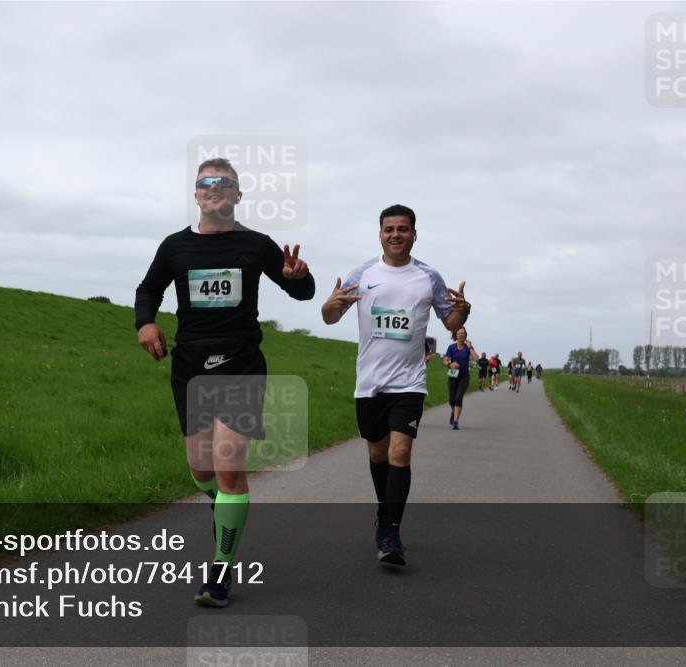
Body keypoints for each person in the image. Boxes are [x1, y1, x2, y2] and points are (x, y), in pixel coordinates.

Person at [135, 157, 316, 607]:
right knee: (201, 470)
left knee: (229, 464)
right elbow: (147, 290)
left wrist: (300, 278)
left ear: (237, 194)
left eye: (224, 183)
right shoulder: (175, 247)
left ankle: (219, 573)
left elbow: (303, 291)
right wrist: (145, 324)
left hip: (240, 363)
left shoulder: (256, 245)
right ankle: (225, 513)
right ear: (196, 194)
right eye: (205, 183)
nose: (214, 188)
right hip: (190, 368)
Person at [321, 204, 470, 567]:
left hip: (410, 383)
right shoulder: (363, 273)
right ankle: (384, 510)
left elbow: (451, 322)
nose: (396, 235)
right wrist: (329, 304)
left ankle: (391, 532)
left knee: (399, 454)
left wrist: (463, 311)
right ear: (380, 235)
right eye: (389, 229)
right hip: (370, 383)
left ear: (414, 234)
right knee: (377, 455)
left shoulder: (428, 277)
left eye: (403, 229)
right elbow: (329, 317)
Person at [444, 329, 479, 429]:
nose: (461, 335)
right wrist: (450, 364)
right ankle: (453, 411)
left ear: (465, 335)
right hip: (453, 375)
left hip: (464, 376)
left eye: (463, 333)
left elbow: (476, 359)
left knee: (458, 398)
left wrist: (470, 347)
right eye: (459, 333)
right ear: (456, 335)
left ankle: (455, 421)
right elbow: (445, 360)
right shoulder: (451, 347)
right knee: (451, 400)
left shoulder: (468, 348)